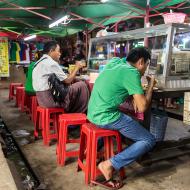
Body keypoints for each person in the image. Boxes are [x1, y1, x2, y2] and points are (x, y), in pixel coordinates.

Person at [87, 47, 156, 189]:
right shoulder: (132, 72)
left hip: (92, 113)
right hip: (105, 116)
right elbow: (142, 107)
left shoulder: (115, 62)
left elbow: (117, 82)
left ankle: (90, 152)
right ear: (141, 62)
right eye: (146, 66)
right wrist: (150, 86)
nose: (145, 71)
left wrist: (131, 94)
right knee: (148, 140)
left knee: (127, 120)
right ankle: (108, 164)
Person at [32, 40, 90, 113]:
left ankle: (75, 112)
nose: (60, 54)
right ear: (51, 51)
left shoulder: (39, 62)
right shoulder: (51, 63)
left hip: (41, 100)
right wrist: (77, 67)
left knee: (74, 87)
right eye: (58, 51)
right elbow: (68, 81)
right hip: (50, 100)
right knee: (82, 85)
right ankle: (79, 113)